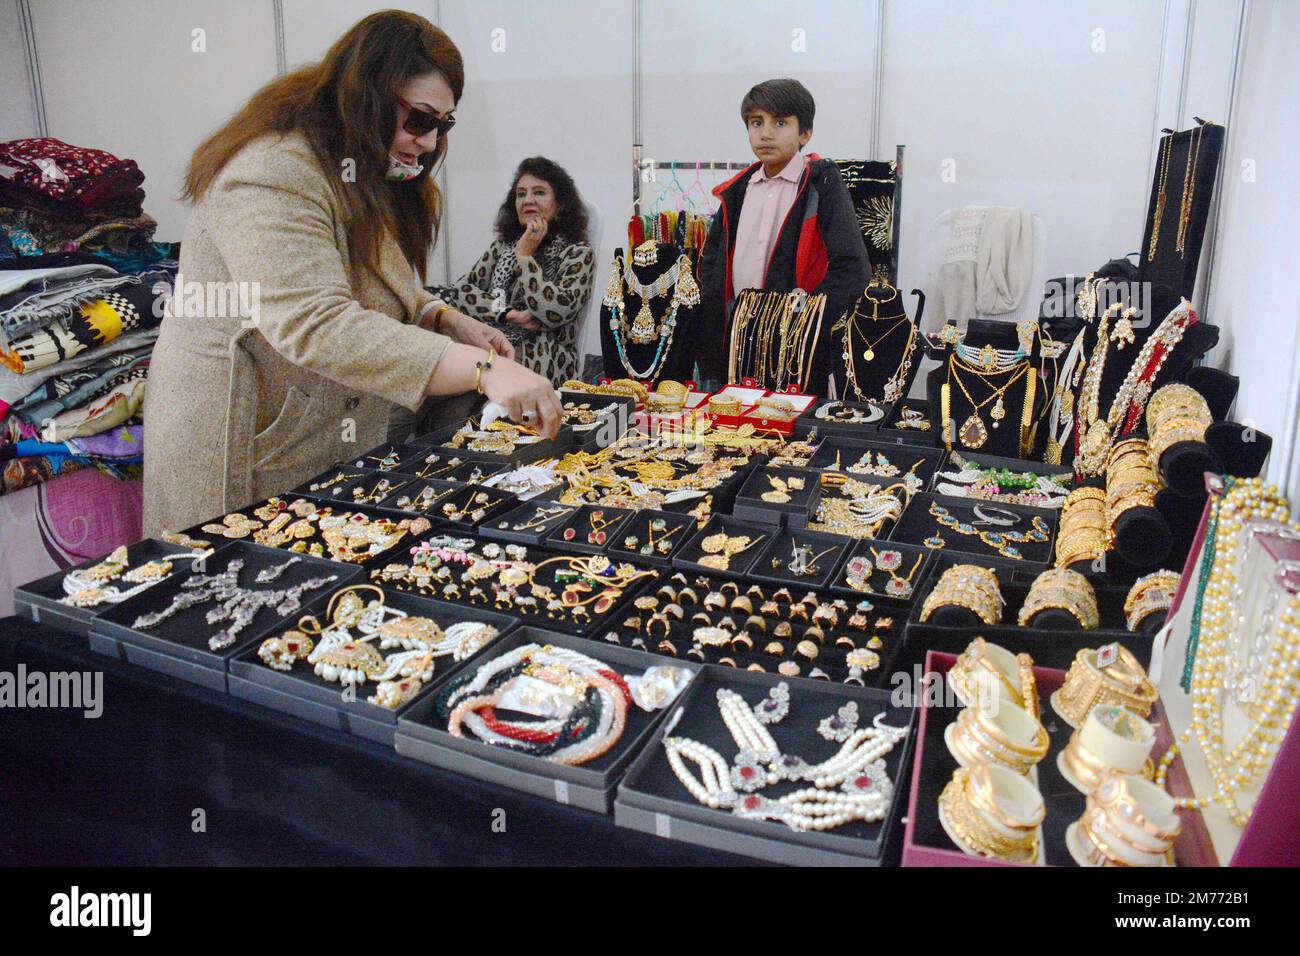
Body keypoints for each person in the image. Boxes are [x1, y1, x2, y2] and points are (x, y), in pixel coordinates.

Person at [141, 11, 560, 536]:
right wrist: (484, 370)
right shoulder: (271, 172)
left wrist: (440, 315)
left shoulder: (355, 164)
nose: (429, 143)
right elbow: (315, 321)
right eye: (421, 120)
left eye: (442, 125)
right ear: (369, 97)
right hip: (241, 437)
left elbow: (375, 269)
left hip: (322, 428)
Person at [696, 77, 871, 385]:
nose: (765, 133)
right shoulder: (735, 191)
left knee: (791, 429)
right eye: (756, 122)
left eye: (780, 123)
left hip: (795, 348)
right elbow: (711, 264)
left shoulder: (823, 185)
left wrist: (805, 322)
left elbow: (852, 267)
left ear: (805, 133)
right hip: (735, 344)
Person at [452, 157, 596, 384]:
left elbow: (554, 310)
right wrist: (507, 313)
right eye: (521, 194)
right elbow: (460, 294)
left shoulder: (577, 253)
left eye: (539, 192)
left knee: (460, 402)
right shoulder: (503, 246)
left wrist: (525, 257)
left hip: (542, 355)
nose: (527, 200)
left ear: (560, 204)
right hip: (491, 344)